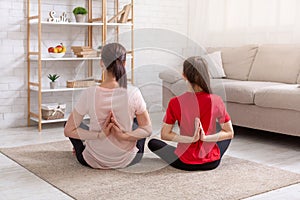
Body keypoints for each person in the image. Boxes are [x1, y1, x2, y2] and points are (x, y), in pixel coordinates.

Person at [64, 43, 152, 169]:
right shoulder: (134, 92)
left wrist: (99, 135)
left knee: (70, 125)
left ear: (101, 63)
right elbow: (147, 130)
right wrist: (124, 136)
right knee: (139, 123)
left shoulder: (89, 93)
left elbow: (68, 130)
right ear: (124, 63)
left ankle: (84, 144)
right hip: (128, 160)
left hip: (93, 160)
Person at [148, 56, 234, 171]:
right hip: (212, 162)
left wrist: (190, 139)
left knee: (153, 143)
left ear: (184, 75)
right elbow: (230, 133)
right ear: (206, 75)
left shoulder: (175, 102)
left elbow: (165, 134)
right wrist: (206, 138)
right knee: (224, 132)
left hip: (185, 162)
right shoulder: (216, 100)